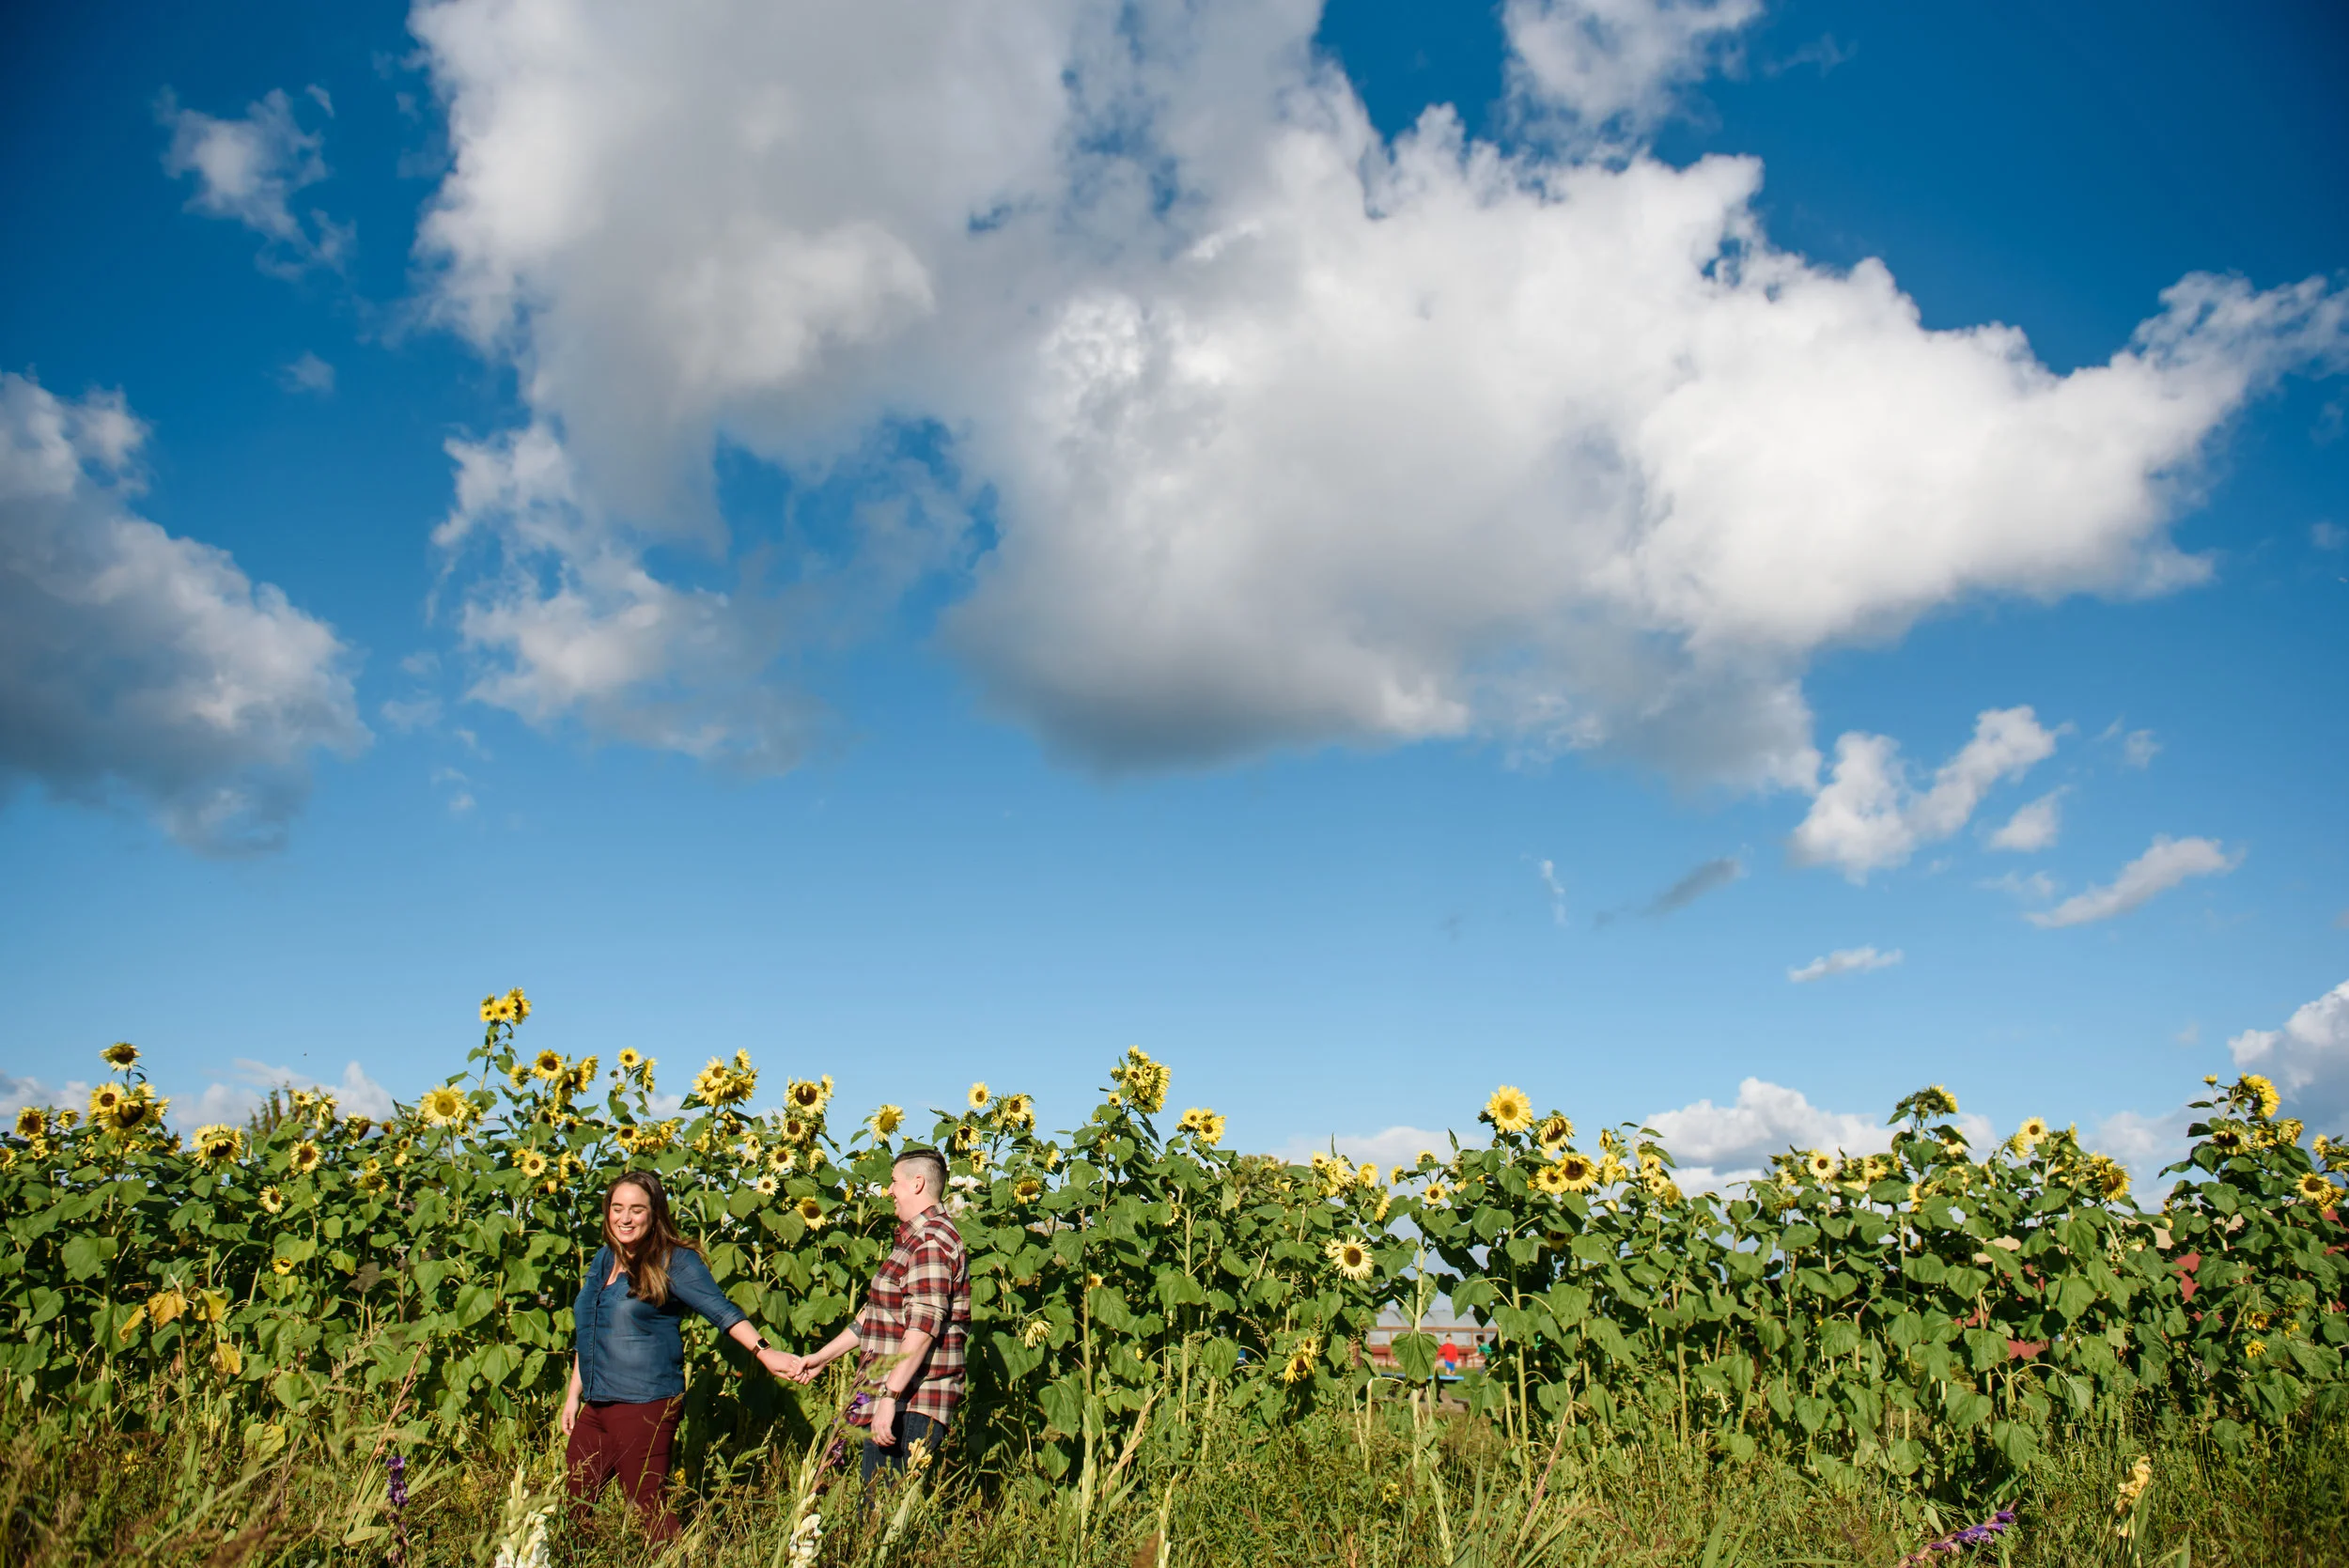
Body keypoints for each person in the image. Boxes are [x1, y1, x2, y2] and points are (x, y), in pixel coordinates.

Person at [562, 1169, 792, 1542]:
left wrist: (765, 1353)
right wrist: (574, 1394)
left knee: (648, 1507)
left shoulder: (674, 1260)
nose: (625, 1218)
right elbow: (590, 1329)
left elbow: (722, 1311)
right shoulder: (604, 1258)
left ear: (655, 1214)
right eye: (617, 1208)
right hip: (597, 1404)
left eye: (636, 1209)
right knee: (573, 1508)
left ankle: (675, 1559)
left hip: (644, 1403)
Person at [779, 1145, 971, 1480]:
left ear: (917, 1183)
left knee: (883, 1505)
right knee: (881, 1503)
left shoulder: (930, 1242)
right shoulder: (914, 1240)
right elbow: (875, 1315)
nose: (889, 1190)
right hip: (898, 1397)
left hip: (913, 1402)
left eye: (894, 1181)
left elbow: (922, 1329)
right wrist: (823, 1357)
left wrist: (888, 1396)